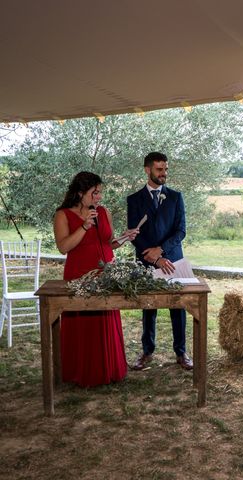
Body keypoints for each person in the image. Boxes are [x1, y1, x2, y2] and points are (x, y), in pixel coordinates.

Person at [53, 171, 138, 387]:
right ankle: (81, 372)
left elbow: (108, 243)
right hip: (80, 274)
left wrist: (125, 238)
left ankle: (110, 370)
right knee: (83, 323)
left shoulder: (103, 212)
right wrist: (84, 227)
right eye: (95, 193)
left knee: (105, 319)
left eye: (100, 193)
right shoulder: (63, 215)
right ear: (80, 193)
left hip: (106, 274)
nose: (98, 197)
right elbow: (64, 247)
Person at [127, 151, 193, 371]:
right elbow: (134, 234)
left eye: (165, 169)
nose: (164, 173)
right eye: (159, 169)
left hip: (173, 261)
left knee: (178, 307)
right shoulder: (134, 200)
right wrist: (154, 258)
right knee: (148, 307)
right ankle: (147, 351)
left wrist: (161, 251)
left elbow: (181, 231)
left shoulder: (175, 197)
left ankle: (181, 353)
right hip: (146, 262)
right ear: (147, 170)